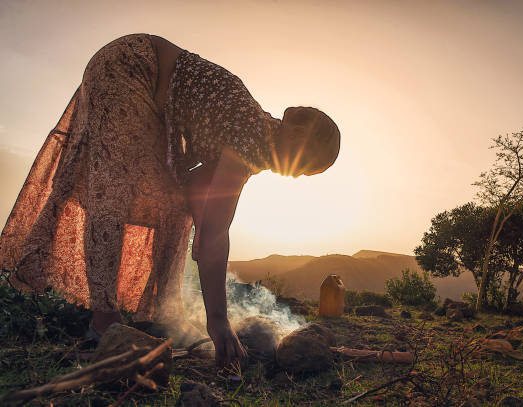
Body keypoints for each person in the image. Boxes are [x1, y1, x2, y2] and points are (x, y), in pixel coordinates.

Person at [0, 34, 340, 369]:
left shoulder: (255, 136)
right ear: (296, 136)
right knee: (114, 186)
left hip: (147, 87)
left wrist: (202, 225)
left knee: (171, 201)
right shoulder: (251, 137)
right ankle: (104, 323)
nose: (295, 176)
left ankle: (166, 315)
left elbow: (195, 190)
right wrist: (218, 320)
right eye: (305, 165)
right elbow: (216, 236)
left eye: (306, 175)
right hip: (131, 66)